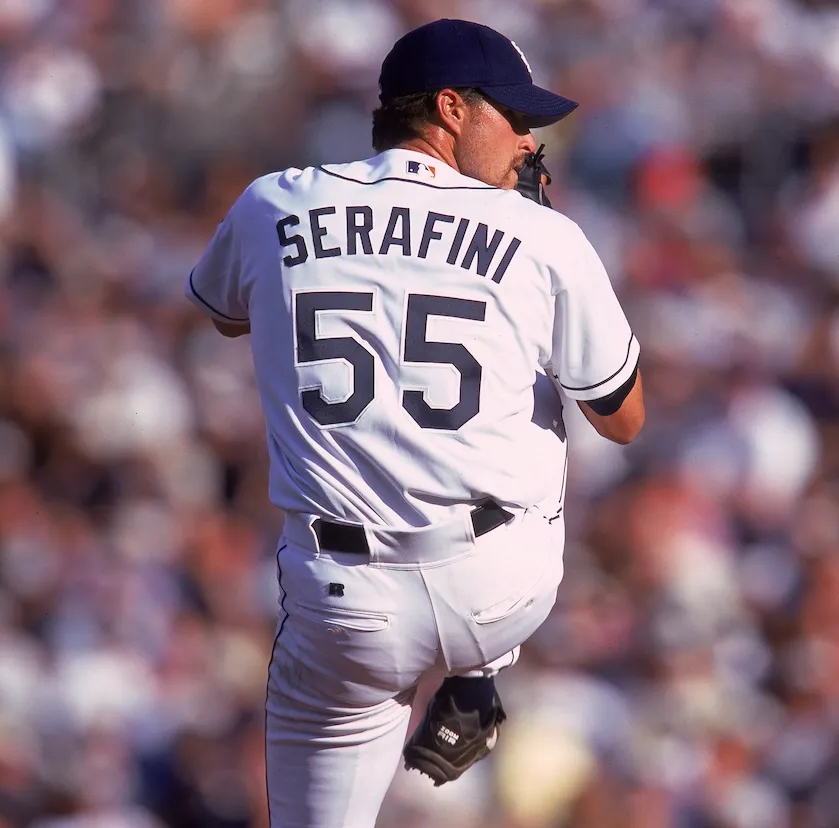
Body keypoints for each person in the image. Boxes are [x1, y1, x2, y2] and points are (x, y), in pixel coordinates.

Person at [183, 17, 644, 828]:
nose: (528, 143)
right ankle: (477, 673)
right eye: (517, 119)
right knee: (541, 396)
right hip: (499, 589)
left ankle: (466, 669)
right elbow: (623, 418)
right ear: (451, 110)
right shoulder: (540, 234)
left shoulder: (272, 204)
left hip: (342, 607)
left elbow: (224, 315)